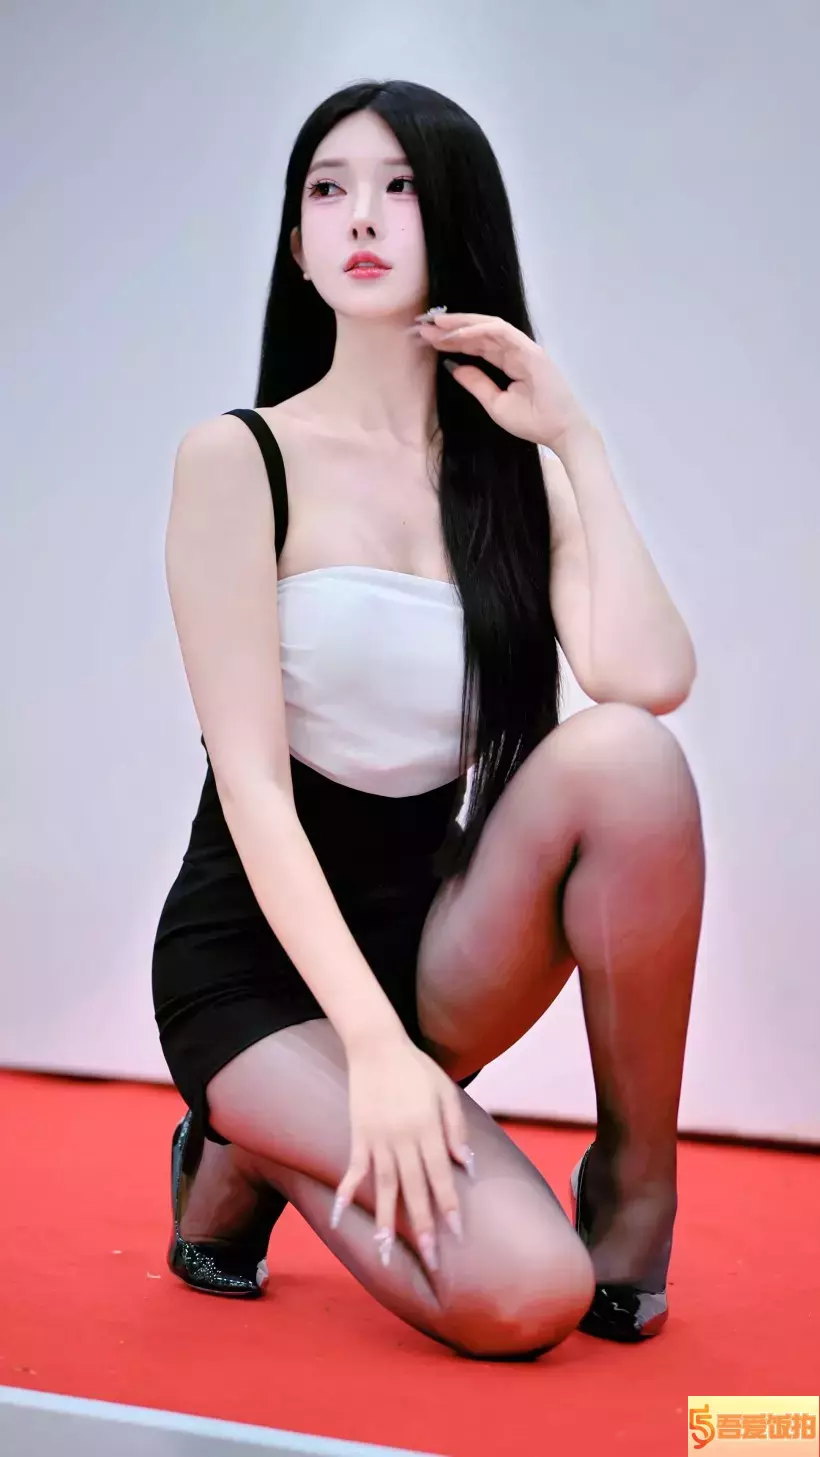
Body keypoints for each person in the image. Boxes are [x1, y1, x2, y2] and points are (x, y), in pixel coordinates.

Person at [152, 78, 705, 1361]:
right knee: (523, 1294)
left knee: (630, 758)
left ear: (457, 223)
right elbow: (252, 787)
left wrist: (577, 443)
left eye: (400, 186)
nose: (360, 214)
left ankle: (634, 1182)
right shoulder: (238, 459)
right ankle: (250, 1132)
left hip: (431, 948)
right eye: (328, 188)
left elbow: (649, 676)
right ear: (297, 247)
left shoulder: (512, 482)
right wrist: (370, 1052)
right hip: (254, 967)